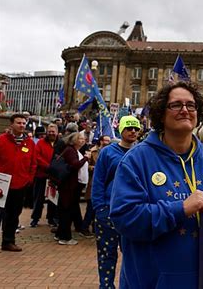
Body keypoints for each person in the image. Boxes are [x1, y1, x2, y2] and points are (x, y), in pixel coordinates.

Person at [109, 81, 203, 288]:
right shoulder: (136, 159)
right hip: (152, 281)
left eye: (191, 105)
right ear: (161, 114)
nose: (185, 110)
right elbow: (125, 218)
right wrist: (181, 208)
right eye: (176, 105)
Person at [92, 117, 139, 288]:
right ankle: (106, 285)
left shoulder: (140, 152)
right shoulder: (107, 152)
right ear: (121, 130)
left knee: (131, 254)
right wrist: (100, 208)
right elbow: (98, 181)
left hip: (133, 213)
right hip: (108, 212)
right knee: (107, 253)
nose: (133, 131)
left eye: (136, 128)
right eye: (129, 128)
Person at [0, 113, 37, 251]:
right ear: (11, 124)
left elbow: (33, 163)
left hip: (20, 185)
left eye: (23, 123)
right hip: (1, 185)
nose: (21, 125)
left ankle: (8, 241)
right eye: (18, 123)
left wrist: (29, 179)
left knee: (14, 214)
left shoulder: (30, 144)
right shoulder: (1, 140)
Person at [55, 132, 90, 245]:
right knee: (66, 210)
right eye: (80, 138)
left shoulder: (75, 150)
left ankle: (60, 233)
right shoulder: (70, 150)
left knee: (67, 209)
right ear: (74, 140)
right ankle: (65, 237)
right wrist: (85, 158)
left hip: (73, 185)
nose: (82, 140)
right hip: (68, 185)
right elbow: (75, 165)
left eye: (83, 138)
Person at [80, 135, 111, 236]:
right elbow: (86, 165)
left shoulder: (110, 151)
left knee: (96, 209)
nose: (108, 142)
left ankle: (94, 227)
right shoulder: (93, 151)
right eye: (106, 140)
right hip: (93, 181)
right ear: (101, 141)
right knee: (91, 208)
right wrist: (94, 168)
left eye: (109, 141)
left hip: (105, 182)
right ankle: (84, 227)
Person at [30, 124, 59, 228]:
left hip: (54, 175)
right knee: (38, 198)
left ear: (57, 132)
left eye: (53, 131)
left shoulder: (60, 143)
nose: (51, 133)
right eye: (49, 131)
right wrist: (47, 166)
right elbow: (37, 156)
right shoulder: (40, 143)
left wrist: (55, 167)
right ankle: (35, 218)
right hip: (41, 174)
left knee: (53, 198)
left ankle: (51, 218)